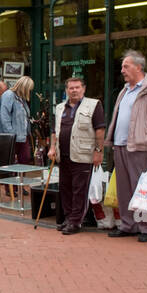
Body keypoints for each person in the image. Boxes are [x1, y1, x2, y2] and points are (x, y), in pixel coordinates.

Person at [105, 50, 147, 242]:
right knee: (124, 189)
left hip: (139, 148)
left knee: (142, 189)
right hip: (121, 146)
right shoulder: (125, 91)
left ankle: (146, 228)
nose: (122, 70)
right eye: (122, 66)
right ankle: (127, 225)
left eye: (126, 66)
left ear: (138, 67)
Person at [47, 77, 106, 234]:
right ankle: (68, 218)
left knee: (79, 190)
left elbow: (100, 130)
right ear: (66, 90)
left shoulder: (94, 105)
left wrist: (99, 151)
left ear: (84, 89)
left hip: (83, 155)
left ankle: (75, 222)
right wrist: (52, 148)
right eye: (71, 88)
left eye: (77, 87)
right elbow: (54, 131)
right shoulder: (60, 108)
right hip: (63, 155)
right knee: (65, 188)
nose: (74, 90)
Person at [0, 75, 34, 164]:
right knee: (11, 162)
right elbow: (5, 118)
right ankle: (14, 177)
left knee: (25, 159)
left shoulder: (21, 99)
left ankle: (21, 177)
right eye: (29, 89)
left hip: (21, 136)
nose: (30, 91)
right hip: (11, 137)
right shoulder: (9, 95)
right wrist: (11, 135)